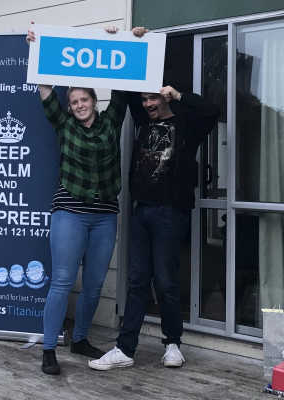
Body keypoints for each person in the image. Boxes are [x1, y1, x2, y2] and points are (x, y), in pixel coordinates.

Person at [89, 27, 220, 371]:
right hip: (142, 211)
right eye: (144, 99)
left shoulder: (188, 124)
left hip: (171, 212)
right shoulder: (143, 117)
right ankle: (125, 349)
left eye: (153, 98)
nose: (147, 104)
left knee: (165, 281)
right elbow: (123, 81)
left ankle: (173, 344)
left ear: (164, 96)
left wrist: (179, 95)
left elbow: (212, 110)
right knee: (136, 281)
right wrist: (127, 42)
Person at [26, 25, 132, 375]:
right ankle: (49, 348)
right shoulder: (64, 125)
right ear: (69, 108)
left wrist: (120, 40)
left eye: (84, 100)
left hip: (105, 215)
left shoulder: (111, 121)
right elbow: (45, 88)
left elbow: (123, 83)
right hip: (69, 211)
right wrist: (37, 48)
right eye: (73, 102)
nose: (79, 105)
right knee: (62, 280)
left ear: (94, 101)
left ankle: (81, 338)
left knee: (95, 283)